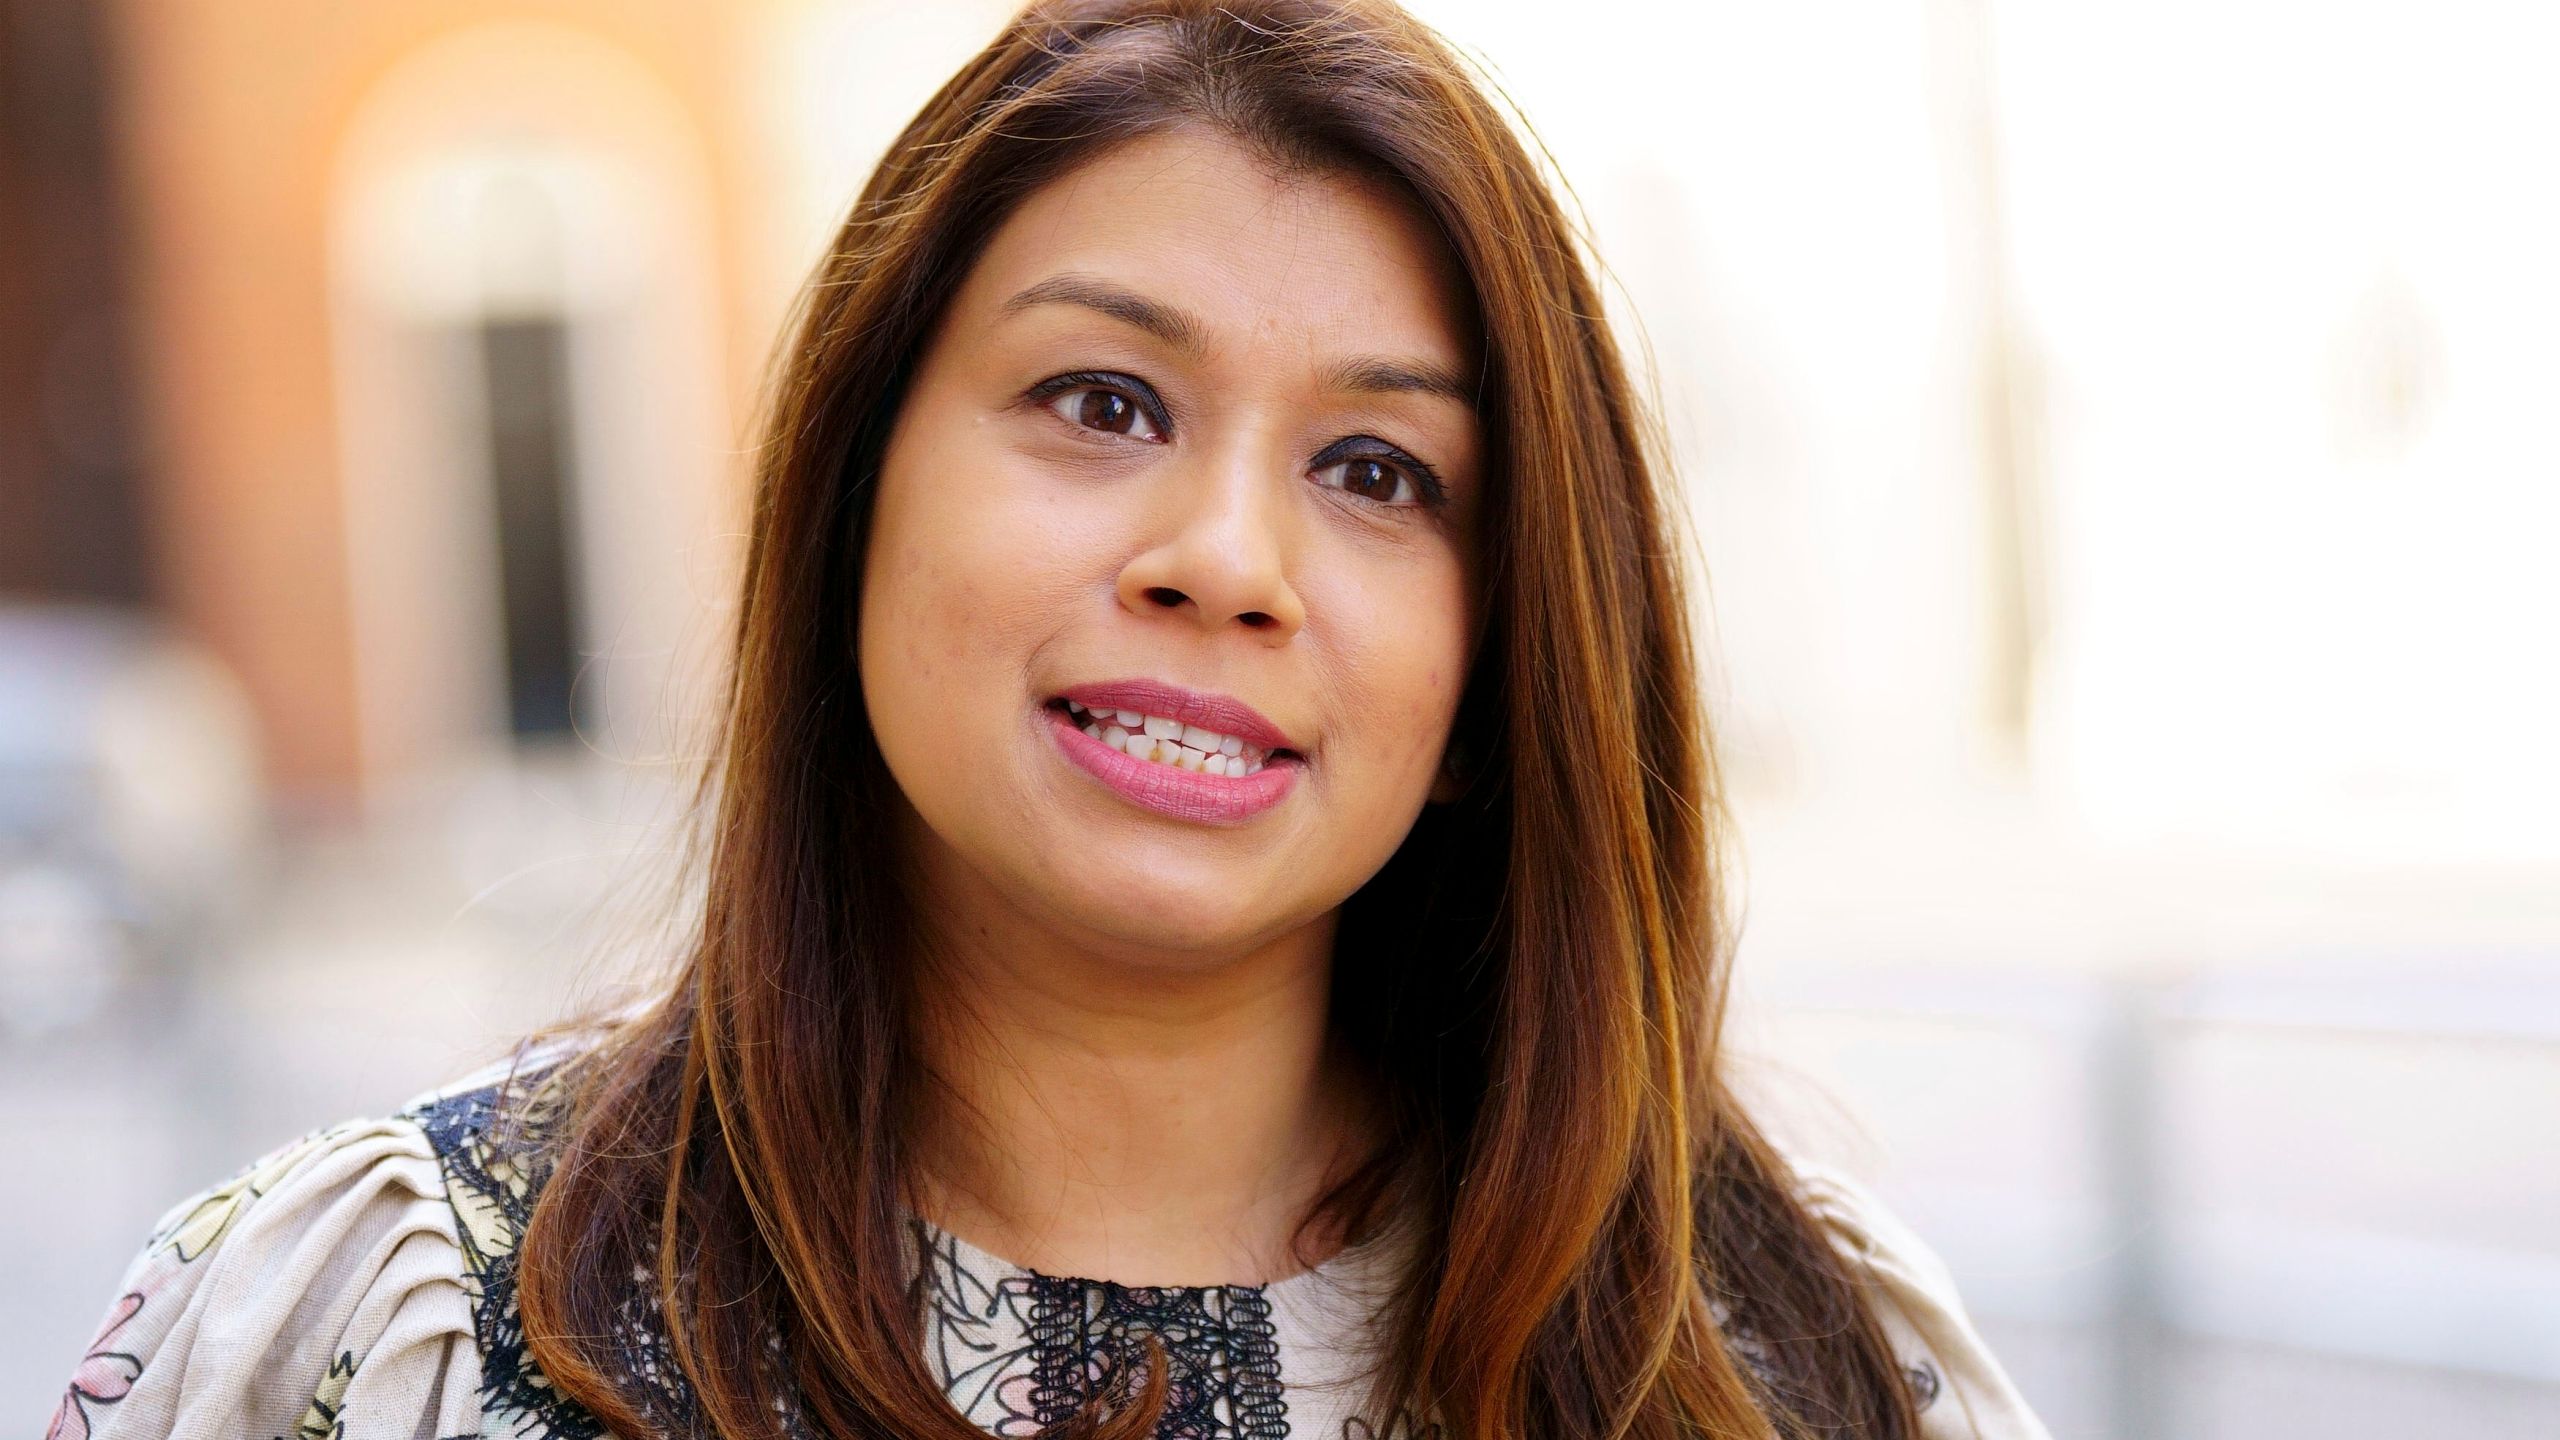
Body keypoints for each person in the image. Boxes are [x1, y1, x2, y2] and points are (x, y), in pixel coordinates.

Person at [49, 3, 2050, 1438]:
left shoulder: (1774, 1360)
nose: (1225, 555)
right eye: (1100, 402)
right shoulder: (380, 1338)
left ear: (1497, 655)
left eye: (1378, 472)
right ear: (856, 497)